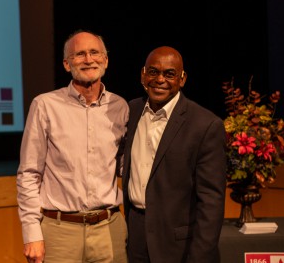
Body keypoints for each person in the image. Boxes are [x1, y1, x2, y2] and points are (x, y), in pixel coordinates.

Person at [16, 30, 129, 263]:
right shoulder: (45, 105)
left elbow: (124, 167)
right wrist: (31, 234)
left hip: (110, 228)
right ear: (67, 64)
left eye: (95, 52)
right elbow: (29, 173)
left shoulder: (120, 107)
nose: (88, 59)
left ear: (105, 60)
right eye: (79, 54)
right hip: (60, 232)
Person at [120, 46, 227, 263]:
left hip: (179, 245)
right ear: (143, 74)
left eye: (169, 74)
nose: (160, 79)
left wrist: (200, 257)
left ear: (182, 79)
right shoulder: (130, 112)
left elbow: (211, 201)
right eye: (153, 72)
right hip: (135, 236)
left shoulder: (205, 125)